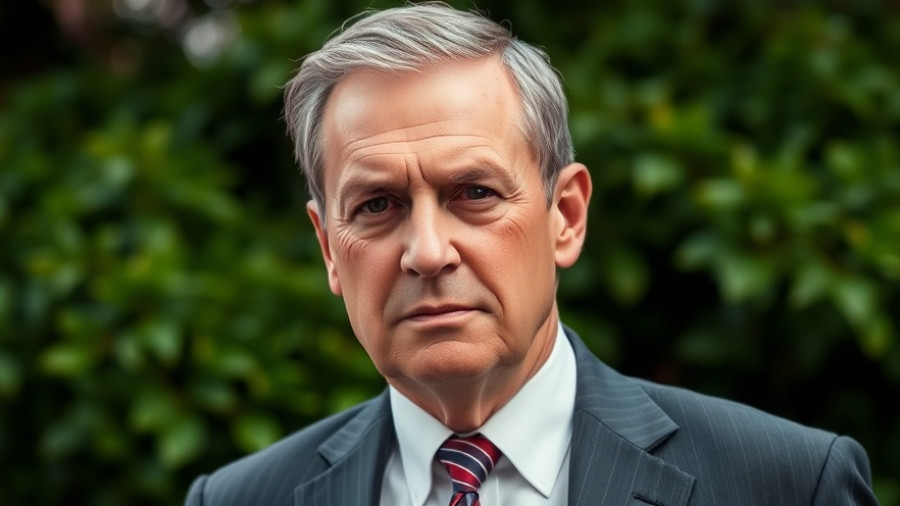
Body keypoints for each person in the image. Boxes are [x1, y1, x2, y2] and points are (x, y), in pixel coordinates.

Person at [185, 3, 878, 505]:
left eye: (474, 192)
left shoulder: (785, 483)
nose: (427, 253)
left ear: (566, 217)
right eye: (377, 206)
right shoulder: (239, 498)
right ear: (329, 250)